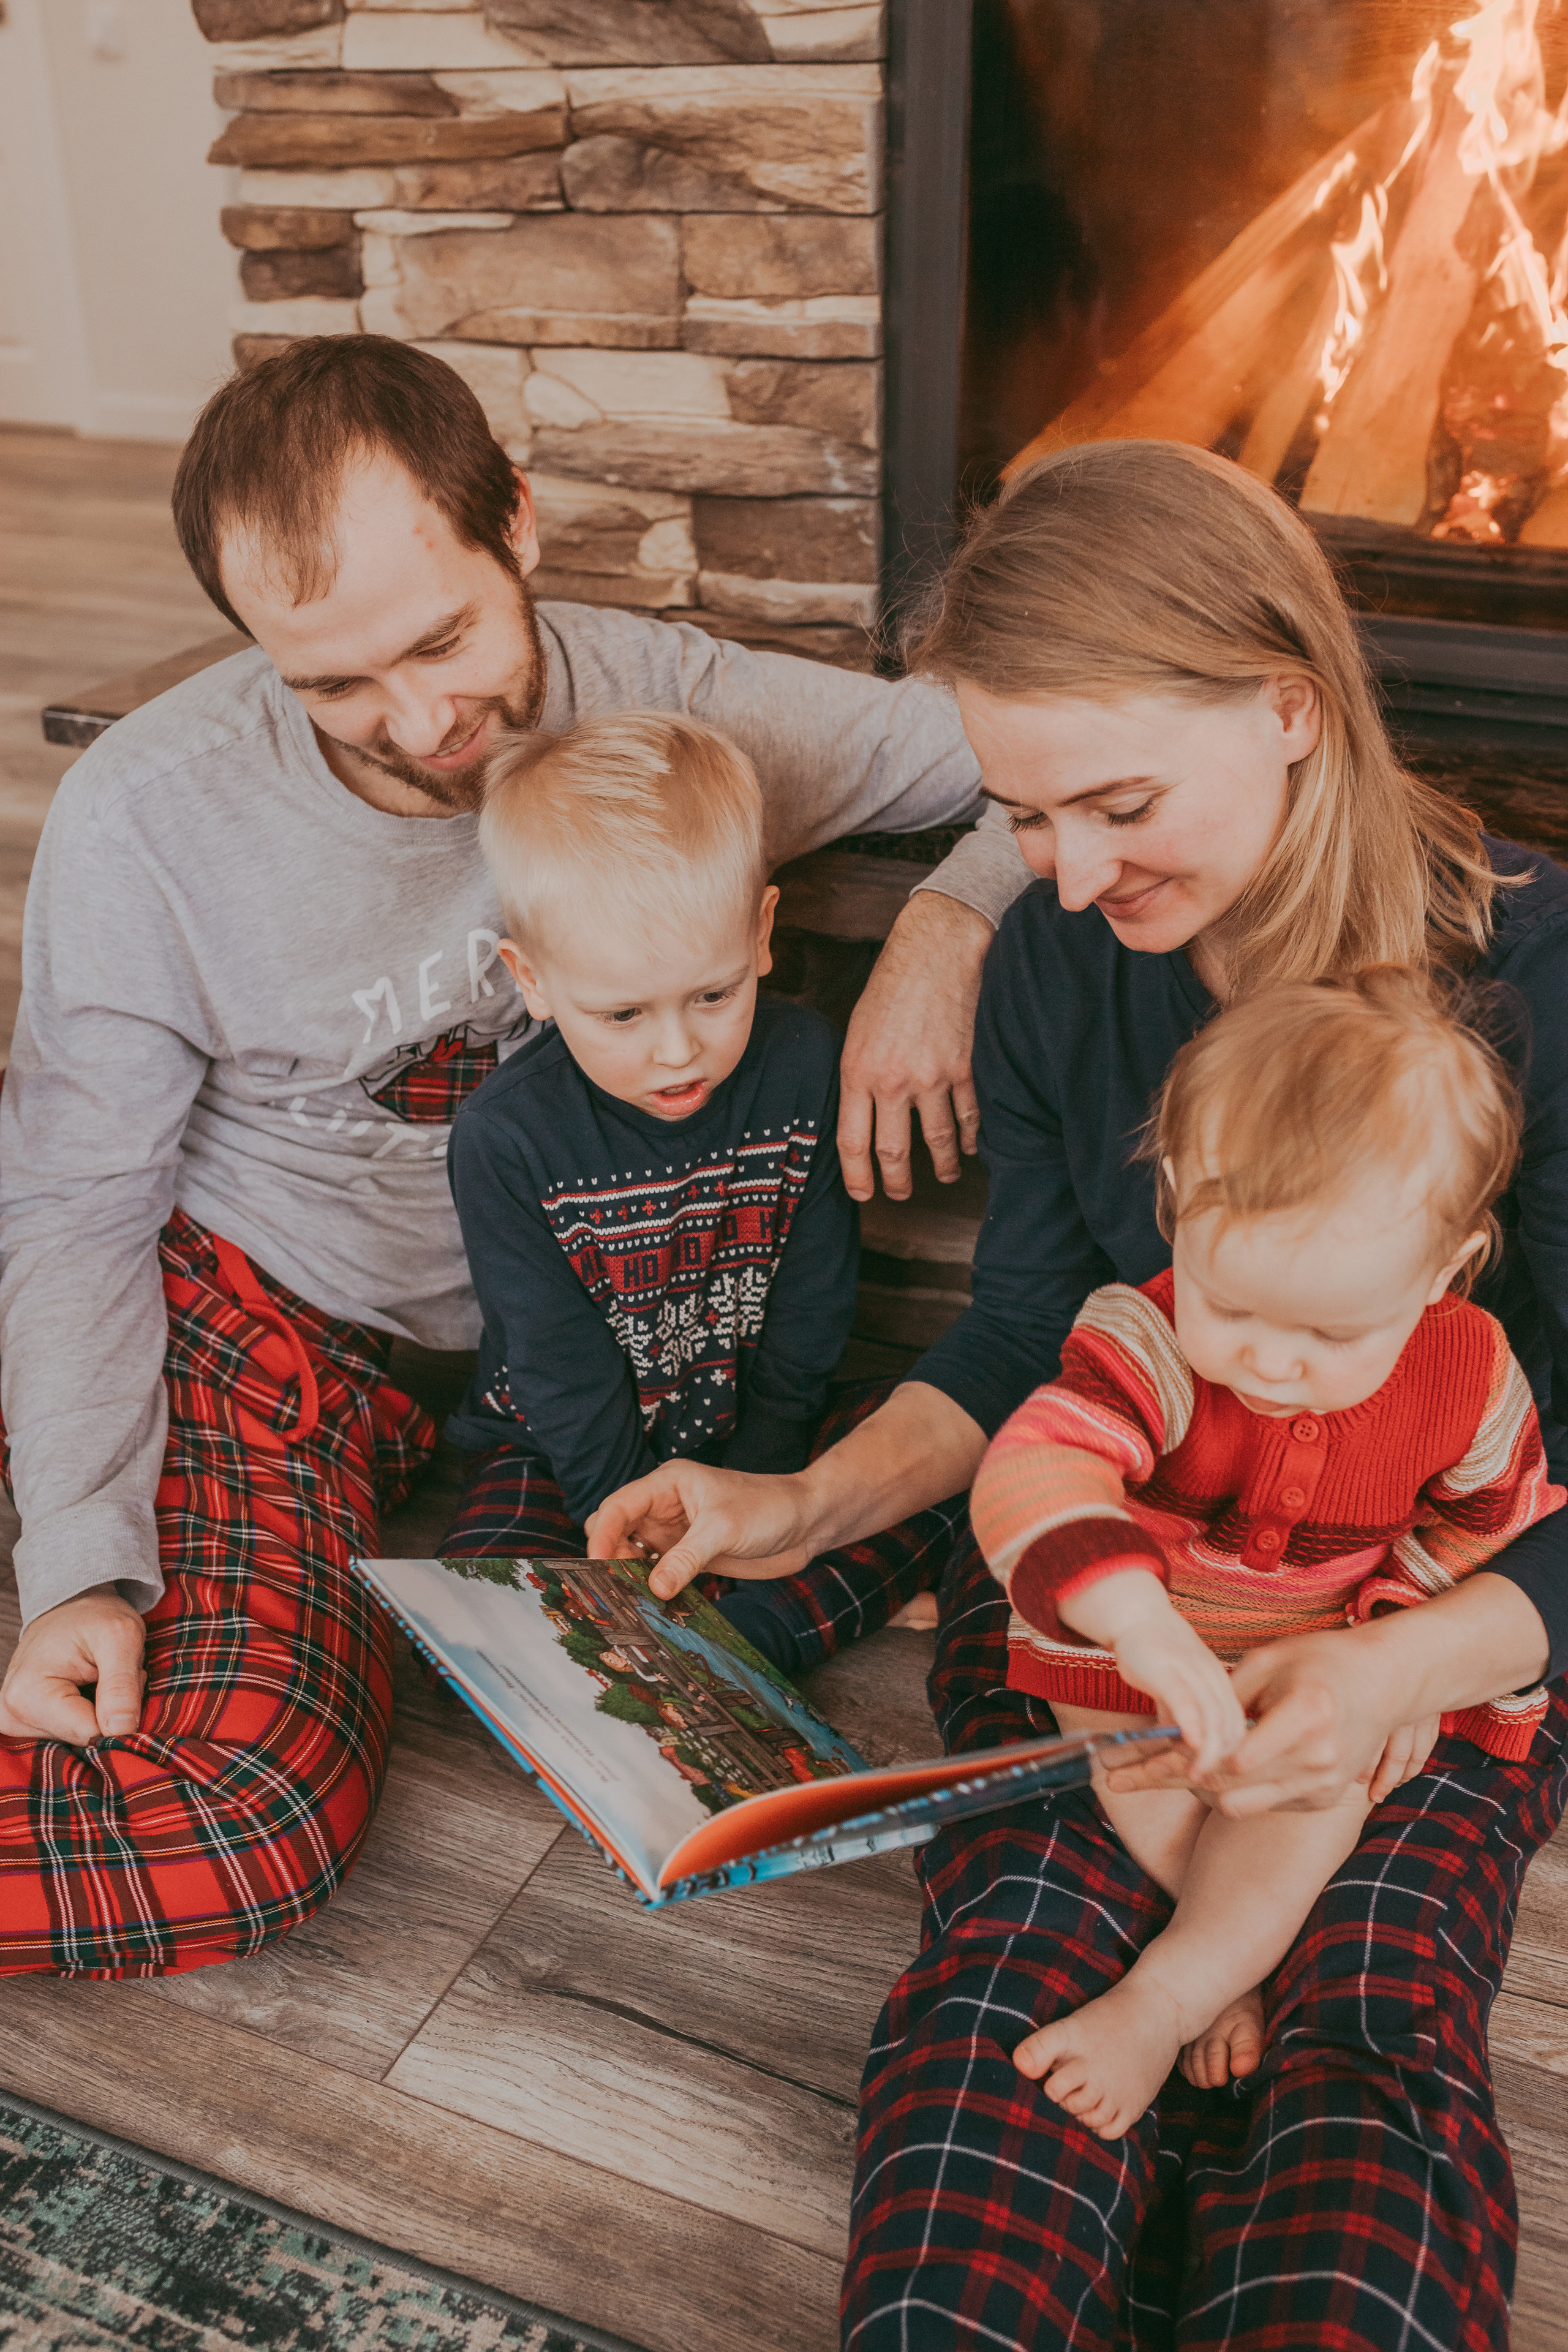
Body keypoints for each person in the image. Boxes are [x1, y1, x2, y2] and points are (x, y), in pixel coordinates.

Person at [586, 439, 1568, 2348]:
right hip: (1099, 1598)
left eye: (1115, 804)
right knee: (1013, 1954)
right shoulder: (1055, 956)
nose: (1071, 874)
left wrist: (1383, 1679)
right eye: (1022, 819)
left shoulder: (1538, 969)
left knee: (1369, 2009)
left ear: (1288, 707)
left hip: (1423, 1632)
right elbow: (1022, 1346)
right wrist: (799, 1507)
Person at [0, 334, 1028, 1978]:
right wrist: (79, 1563)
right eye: (331, 682)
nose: (420, 721)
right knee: (244, 1822)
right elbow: (72, 1207)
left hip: (587, 1369)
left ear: (520, 531)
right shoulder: (150, 817)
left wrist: (946, 925)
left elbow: (1026, 747)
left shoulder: (683, 710)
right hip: (284, 1326)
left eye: (443, 639)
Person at [969, 967, 1562, 2141]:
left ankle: (1164, 1994)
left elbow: (1489, 1521)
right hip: (1136, 1651)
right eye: (1231, 1305)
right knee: (1153, 1783)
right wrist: (1138, 1624)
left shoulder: (1470, 1371)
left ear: (1444, 1273)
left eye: (1334, 1332)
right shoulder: (1143, 1335)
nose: (1272, 1363)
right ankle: (1222, 1955)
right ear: (1181, 1204)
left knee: (1310, 1804)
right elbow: (1037, 1468)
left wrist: (1398, 1647)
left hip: (1320, 1648)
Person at [440, 710, 960, 1673]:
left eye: (712, 996)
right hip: (558, 1449)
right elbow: (553, 1359)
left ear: (762, 933)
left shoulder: (802, 1066)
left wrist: (754, 1487)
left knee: (946, 1469)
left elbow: (813, 1296)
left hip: (754, 1431)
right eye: (625, 1012)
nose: (677, 1049)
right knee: (487, 1603)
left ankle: (729, 1629)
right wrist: (629, 1516)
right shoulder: (506, 1136)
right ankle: (733, 1624)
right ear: (534, 979)